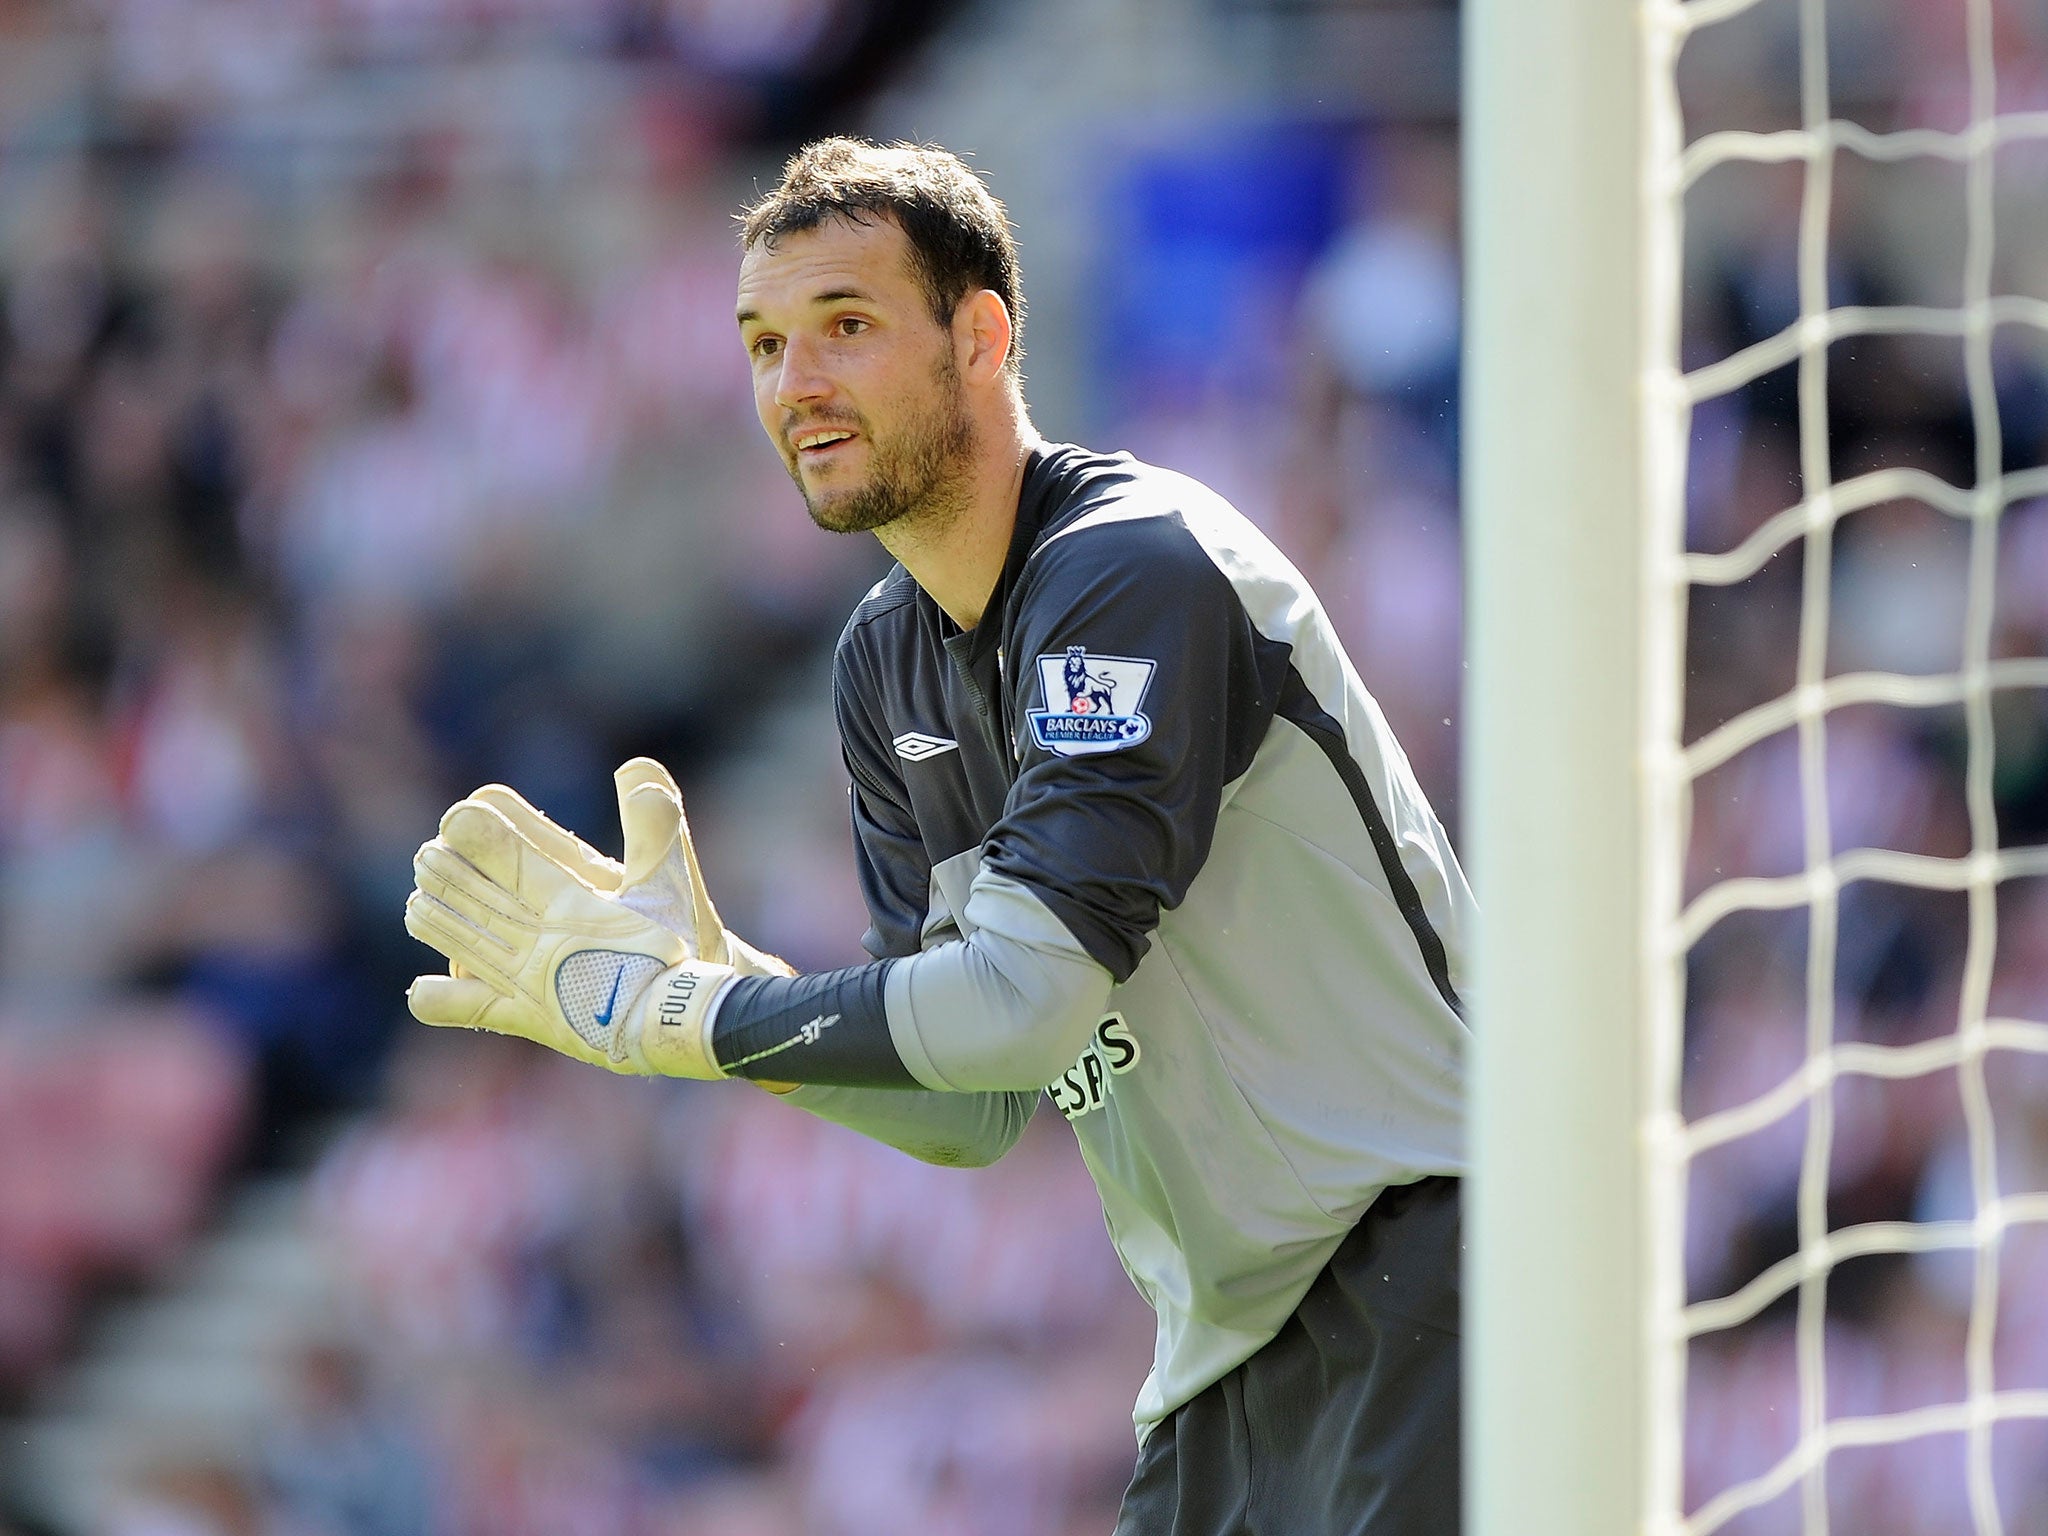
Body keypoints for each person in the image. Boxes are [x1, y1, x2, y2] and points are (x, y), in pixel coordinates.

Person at [404, 137, 1471, 1534]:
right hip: (1229, 1359)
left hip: (1431, 1277)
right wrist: (726, 979)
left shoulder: (1130, 570)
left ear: (982, 337)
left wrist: (685, 1015)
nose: (797, 385)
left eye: (846, 328)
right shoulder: (883, 662)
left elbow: (1022, 1009)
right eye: (765, 344)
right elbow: (967, 1108)